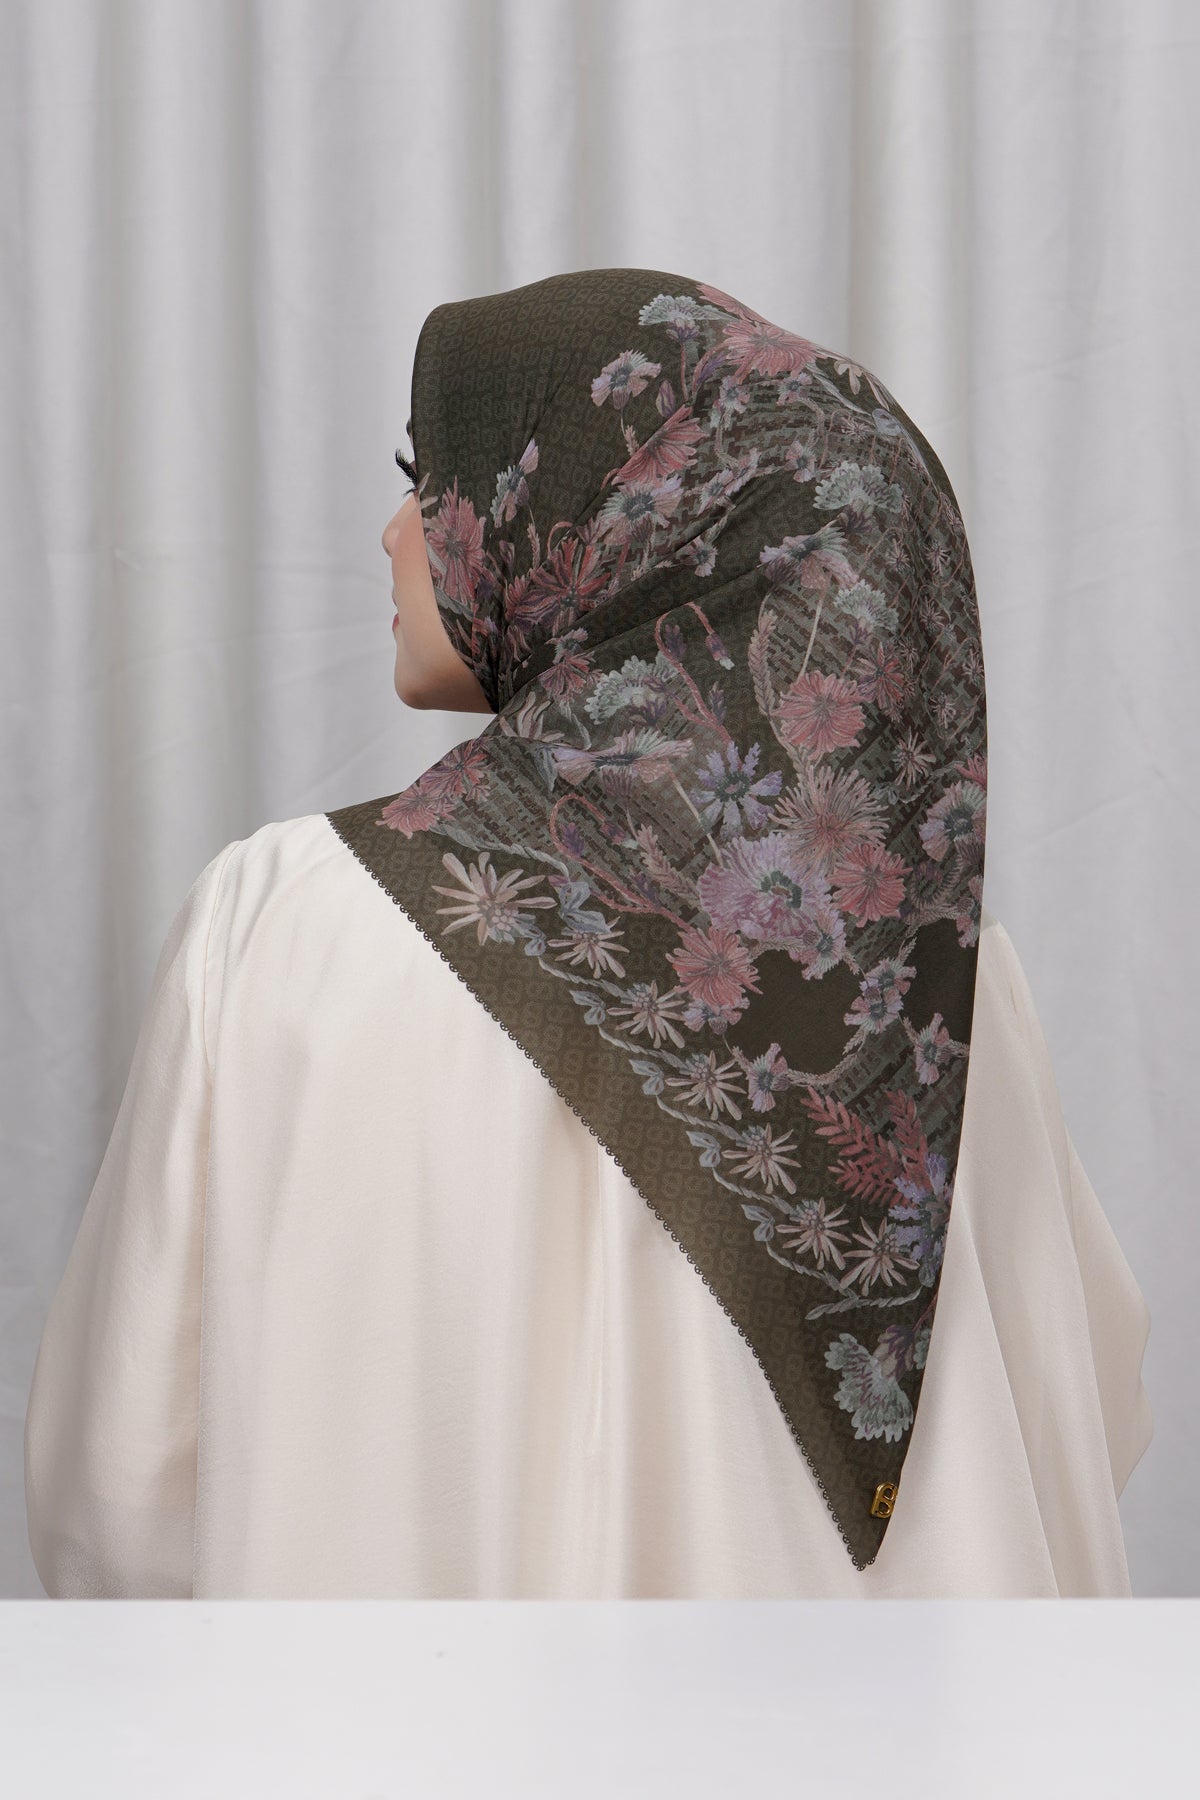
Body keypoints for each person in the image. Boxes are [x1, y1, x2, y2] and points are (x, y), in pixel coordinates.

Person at [24, 268, 1152, 1598]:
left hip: (394, 1716)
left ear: (611, 522)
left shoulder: (285, 924)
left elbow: (120, 1497)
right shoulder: (935, 980)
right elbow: (1090, 1416)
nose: (392, 532)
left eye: (434, 485)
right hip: (895, 1718)